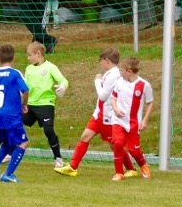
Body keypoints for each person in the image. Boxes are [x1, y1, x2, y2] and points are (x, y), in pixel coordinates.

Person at [54, 47, 136, 177]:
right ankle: (72, 167)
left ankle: (131, 169)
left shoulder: (114, 75)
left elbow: (103, 96)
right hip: (99, 114)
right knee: (85, 137)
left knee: (114, 145)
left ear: (107, 60)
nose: (100, 63)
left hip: (108, 116)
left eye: (100, 60)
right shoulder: (110, 73)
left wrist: (97, 81)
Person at [0, 44, 30, 183]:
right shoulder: (15, 73)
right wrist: (24, 104)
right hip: (10, 115)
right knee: (23, 142)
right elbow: (25, 90)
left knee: (8, 142)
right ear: (13, 58)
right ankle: (8, 174)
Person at [22, 41, 68, 168]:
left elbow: (63, 79)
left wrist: (63, 86)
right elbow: (25, 87)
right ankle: (11, 151)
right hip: (30, 104)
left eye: (30, 55)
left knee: (48, 130)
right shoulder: (28, 69)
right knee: (15, 123)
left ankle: (58, 158)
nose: (28, 58)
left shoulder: (50, 67)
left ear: (38, 54)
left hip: (46, 104)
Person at [110, 57, 153, 181]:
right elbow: (113, 97)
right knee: (118, 143)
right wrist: (115, 109)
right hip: (118, 120)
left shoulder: (144, 85)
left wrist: (144, 120)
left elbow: (150, 102)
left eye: (121, 70)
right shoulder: (119, 81)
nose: (119, 73)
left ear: (129, 71)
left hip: (133, 123)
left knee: (134, 151)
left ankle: (143, 165)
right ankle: (119, 173)